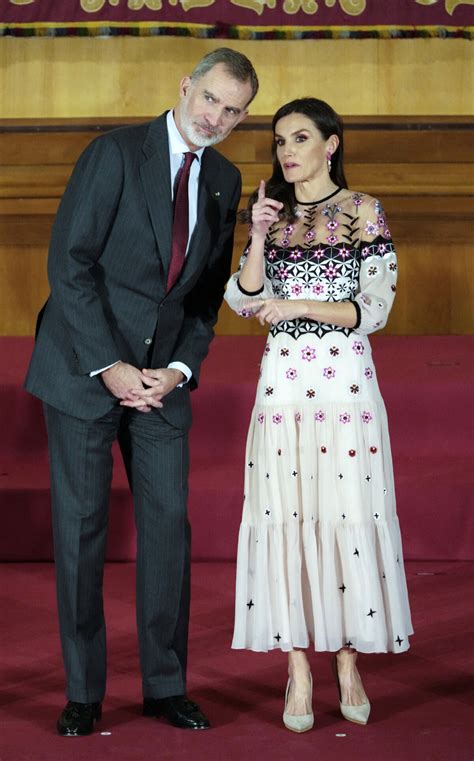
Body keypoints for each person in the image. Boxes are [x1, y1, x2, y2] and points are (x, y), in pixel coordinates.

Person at [24, 47, 258, 736]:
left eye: (234, 110)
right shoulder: (116, 154)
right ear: (187, 86)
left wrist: (178, 371)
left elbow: (207, 297)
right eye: (211, 98)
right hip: (84, 370)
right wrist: (111, 365)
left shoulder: (224, 177)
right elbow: (69, 265)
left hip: (160, 384)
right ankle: (83, 692)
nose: (217, 116)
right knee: (82, 532)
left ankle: (165, 684)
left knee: (165, 531)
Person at [224, 97, 413, 733]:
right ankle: (298, 668)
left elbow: (374, 309)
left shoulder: (363, 211)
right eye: (279, 140)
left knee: (346, 517)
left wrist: (300, 305)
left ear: (331, 144)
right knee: (289, 521)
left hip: (345, 396)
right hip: (282, 394)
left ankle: (349, 660)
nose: (287, 151)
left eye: (300, 138)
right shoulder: (271, 219)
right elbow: (245, 301)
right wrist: (255, 232)